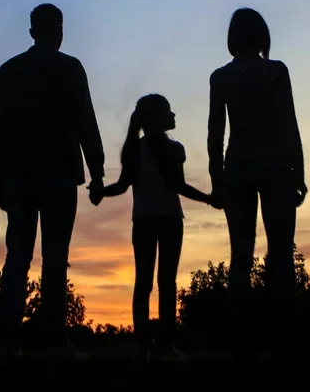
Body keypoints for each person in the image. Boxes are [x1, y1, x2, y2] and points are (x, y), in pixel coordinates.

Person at [0, 3, 105, 360]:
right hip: (58, 174)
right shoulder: (69, 68)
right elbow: (86, 120)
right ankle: (54, 340)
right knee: (55, 258)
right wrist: (97, 170)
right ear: (60, 30)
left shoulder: (8, 72)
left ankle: (10, 342)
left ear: (32, 31)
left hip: (19, 177)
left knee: (17, 258)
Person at [207, 8, 307, 360]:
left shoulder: (220, 78)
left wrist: (216, 178)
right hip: (277, 167)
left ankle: (241, 342)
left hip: (237, 169)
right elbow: (288, 121)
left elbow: (215, 133)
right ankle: (285, 339)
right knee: (281, 255)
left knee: (240, 257)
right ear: (262, 34)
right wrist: (300, 170)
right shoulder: (276, 72)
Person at [90, 94, 218, 361]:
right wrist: (208, 199)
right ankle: (165, 346)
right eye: (169, 111)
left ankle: (143, 348)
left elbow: (122, 186)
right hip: (170, 219)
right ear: (158, 118)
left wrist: (102, 192)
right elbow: (178, 186)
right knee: (166, 283)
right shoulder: (174, 149)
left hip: (143, 220)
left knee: (143, 283)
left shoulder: (134, 149)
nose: (173, 116)